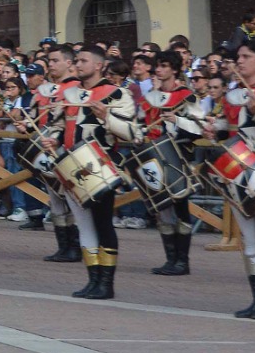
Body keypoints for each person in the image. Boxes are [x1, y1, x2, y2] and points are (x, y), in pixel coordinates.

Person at [38, 44, 141, 300]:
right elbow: (60, 126)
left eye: (83, 61)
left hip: (100, 166)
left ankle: (106, 283)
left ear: (98, 65)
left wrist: (107, 117)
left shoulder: (117, 94)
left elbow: (133, 134)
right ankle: (93, 280)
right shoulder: (69, 93)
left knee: (103, 223)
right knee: (85, 226)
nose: (78, 65)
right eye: (77, 61)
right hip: (73, 167)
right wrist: (53, 140)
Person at [137, 51, 201, 276]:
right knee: (162, 210)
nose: (159, 70)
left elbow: (198, 127)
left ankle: (182, 261)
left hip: (179, 157)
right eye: (158, 66)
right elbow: (140, 124)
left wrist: (178, 120)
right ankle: (170, 259)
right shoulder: (150, 98)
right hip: (153, 158)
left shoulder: (187, 96)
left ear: (174, 70)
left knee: (181, 207)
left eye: (164, 66)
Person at [211, 40, 255, 317]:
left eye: (246, 56)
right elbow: (230, 132)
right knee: (250, 241)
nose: (239, 61)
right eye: (238, 57)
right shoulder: (235, 95)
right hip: (240, 173)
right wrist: (213, 129)